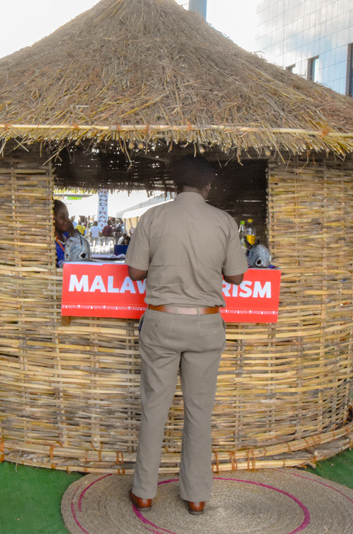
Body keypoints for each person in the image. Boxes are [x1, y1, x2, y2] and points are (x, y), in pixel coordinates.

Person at [125, 155, 247, 516]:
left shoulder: (153, 218)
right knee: (199, 412)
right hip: (206, 327)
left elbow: (134, 271)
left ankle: (144, 491)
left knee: (154, 408)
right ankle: (195, 495)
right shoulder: (224, 222)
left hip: (161, 322)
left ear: (173, 184)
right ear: (209, 186)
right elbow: (237, 277)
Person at [54, 199, 74, 267]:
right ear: (53, 219)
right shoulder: (50, 243)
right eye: (62, 217)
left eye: (67, 216)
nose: (67, 220)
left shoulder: (67, 236)